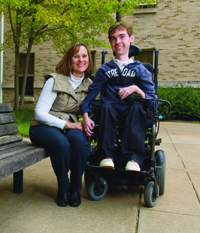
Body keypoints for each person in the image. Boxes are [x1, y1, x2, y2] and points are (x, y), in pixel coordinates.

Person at [81, 22, 158, 172]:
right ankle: (105, 156)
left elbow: (153, 104)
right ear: (110, 43)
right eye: (113, 38)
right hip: (111, 112)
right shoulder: (105, 70)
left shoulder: (140, 70)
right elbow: (89, 98)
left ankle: (134, 158)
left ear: (131, 38)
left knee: (137, 107)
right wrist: (85, 116)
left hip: (133, 113)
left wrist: (136, 89)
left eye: (122, 37)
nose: (118, 42)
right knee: (106, 107)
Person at [29, 43, 93, 207]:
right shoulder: (55, 80)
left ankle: (75, 189)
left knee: (80, 142)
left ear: (89, 59)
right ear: (69, 59)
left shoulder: (89, 85)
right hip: (42, 126)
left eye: (84, 56)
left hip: (70, 125)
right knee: (61, 143)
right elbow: (40, 113)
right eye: (76, 56)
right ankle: (63, 188)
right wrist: (67, 125)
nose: (81, 60)